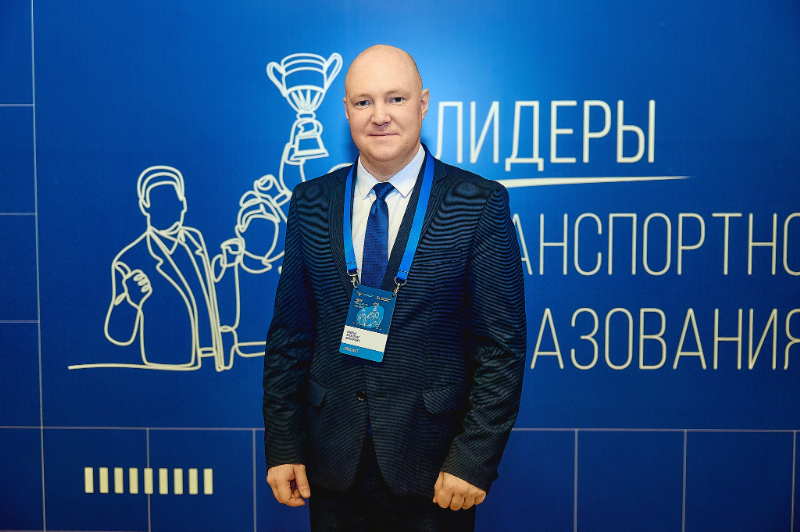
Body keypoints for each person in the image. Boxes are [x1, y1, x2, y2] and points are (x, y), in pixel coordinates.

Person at [262, 45, 526, 531]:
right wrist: (282, 446)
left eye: (395, 99)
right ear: (346, 111)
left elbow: (500, 347)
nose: (379, 116)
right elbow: (289, 338)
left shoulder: (477, 203)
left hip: (435, 471)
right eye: (364, 102)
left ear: (422, 104)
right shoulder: (310, 201)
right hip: (331, 466)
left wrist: (473, 459)